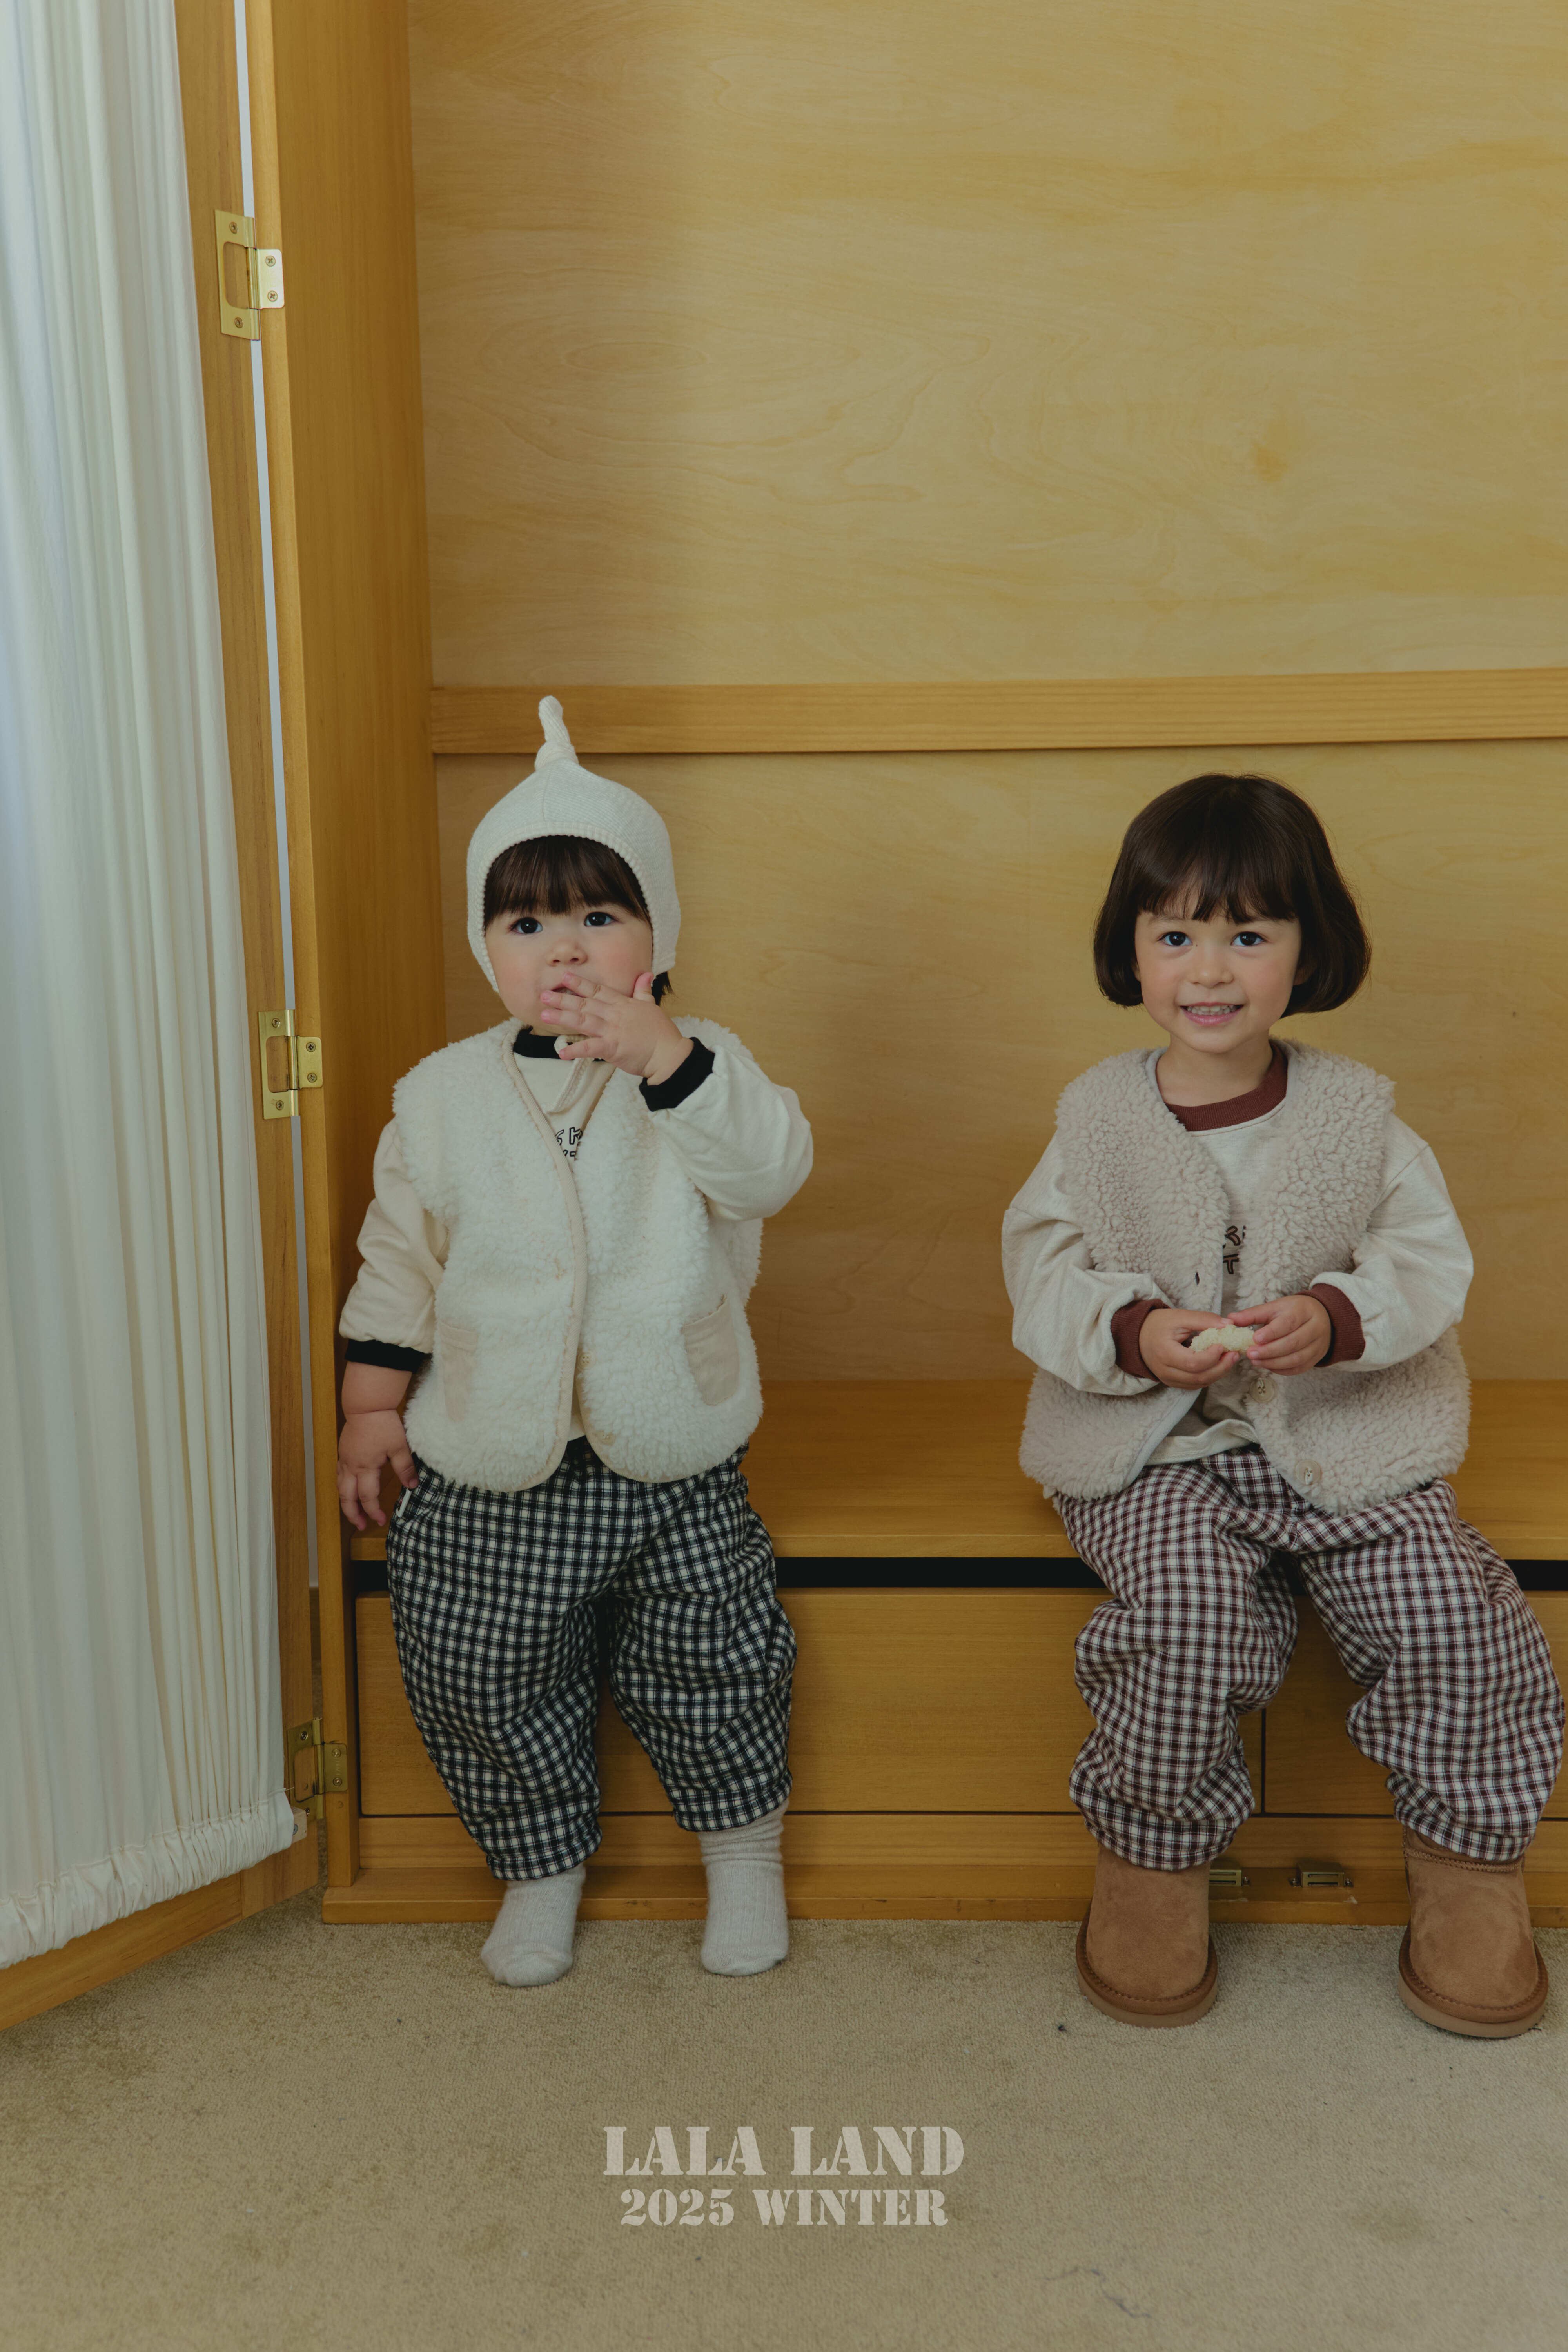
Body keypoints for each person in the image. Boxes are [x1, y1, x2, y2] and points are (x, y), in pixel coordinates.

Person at [1002, 773, 1562, 2034]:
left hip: (1344, 1435)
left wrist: (1339, 1317)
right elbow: (1042, 1275)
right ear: (1132, 949)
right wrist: (1134, 1332)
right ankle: (1152, 1859)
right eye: (1176, 935)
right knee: (1185, 1621)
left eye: (1249, 934)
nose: (1210, 970)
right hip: (1158, 1454)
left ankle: (1469, 1866)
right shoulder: (1094, 1121)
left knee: (1452, 1612)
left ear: (1307, 951)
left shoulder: (1361, 1117)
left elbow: (1429, 1263)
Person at [335, 698, 811, 1987]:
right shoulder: (442, 1097)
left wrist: (666, 1057)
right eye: (526, 922)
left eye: (601, 916)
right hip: (492, 1457)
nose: (564, 948)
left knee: (718, 1658)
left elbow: (770, 1173)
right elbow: (400, 1262)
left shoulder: (702, 1067)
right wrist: (371, 1410)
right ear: (484, 947)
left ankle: (742, 1853)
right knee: (479, 1664)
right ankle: (537, 1863)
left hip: (674, 1451)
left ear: (660, 936)